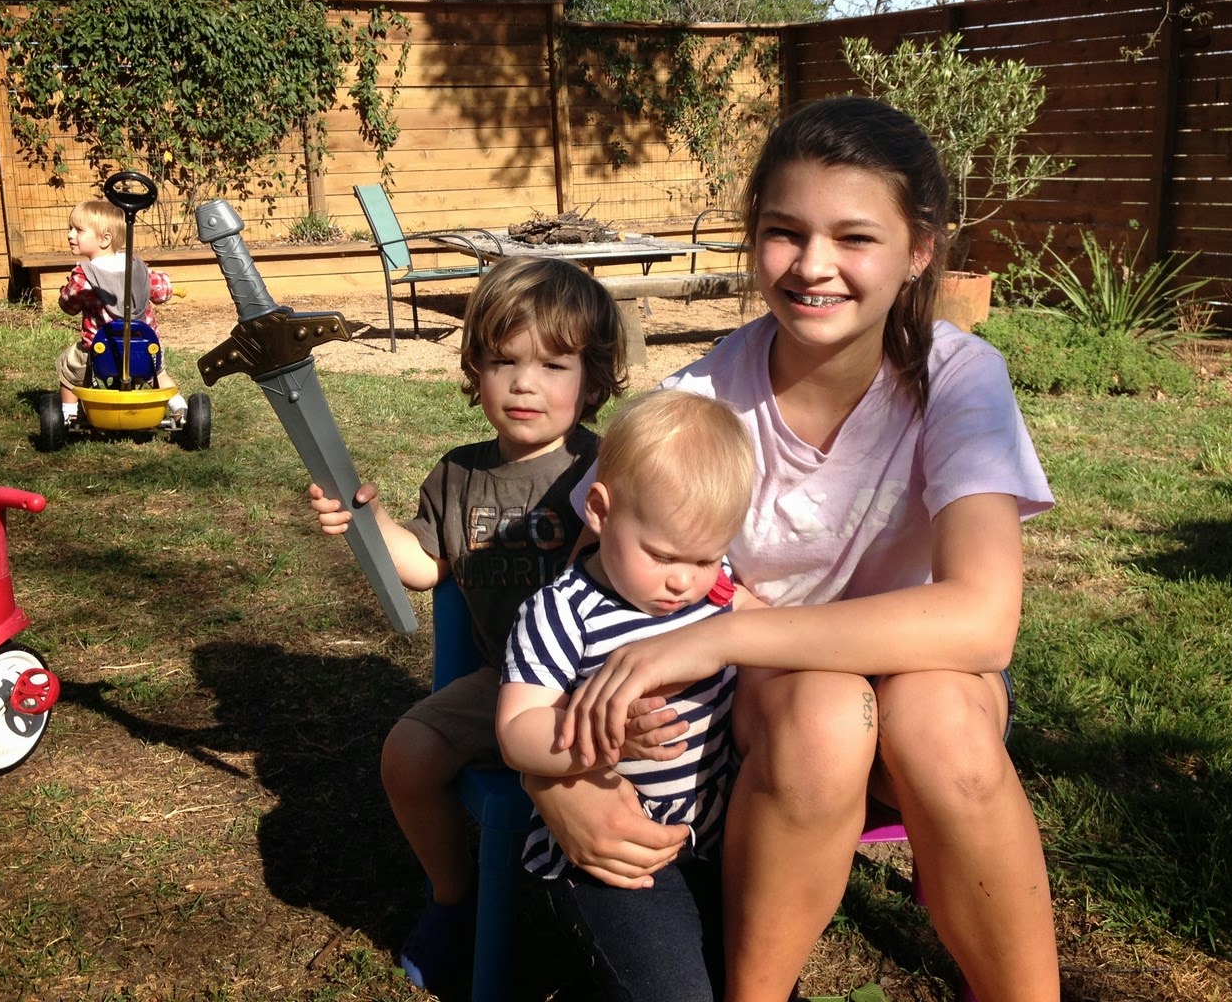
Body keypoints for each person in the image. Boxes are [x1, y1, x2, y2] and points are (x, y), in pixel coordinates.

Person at [529, 95, 1061, 1002]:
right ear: (754, 238)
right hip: (772, 720)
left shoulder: (959, 378)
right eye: (784, 232)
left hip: (930, 705)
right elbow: (587, 592)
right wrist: (556, 775)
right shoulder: (699, 403)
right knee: (824, 713)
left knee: (935, 716)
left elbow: (983, 622)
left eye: (855, 238)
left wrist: (725, 632)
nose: (814, 266)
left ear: (919, 250)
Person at [307, 255, 626, 994]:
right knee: (407, 754)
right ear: (474, 369)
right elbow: (425, 567)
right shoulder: (459, 475)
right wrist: (364, 520)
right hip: (504, 680)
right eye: (504, 361)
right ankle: (454, 897)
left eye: (553, 365)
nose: (524, 384)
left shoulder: (610, 464)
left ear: (594, 380)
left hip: (607, 677)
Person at [497, 389, 756, 1002]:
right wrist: (604, 738)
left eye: (706, 557)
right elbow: (516, 732)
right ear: (600, 510)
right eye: (661, 555)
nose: (682, 580)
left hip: (716, 838)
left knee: (757, 977)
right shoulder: (563, 614)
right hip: (614, 857)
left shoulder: (714, 589)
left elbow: (766, 626)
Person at [56, 196, 182, 417]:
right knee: (158, 373)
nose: (70, 235)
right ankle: (181, 408)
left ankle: (68, 414)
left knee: (70, 368)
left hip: (100, 350)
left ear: (105, 239)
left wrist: (66, 294)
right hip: (145, 346)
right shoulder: (139, 268)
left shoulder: (83, 276)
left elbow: (68, 305)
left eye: (78, 230)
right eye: (70, 228)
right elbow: (162, 292)